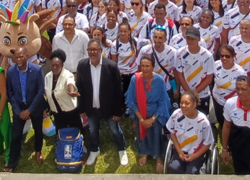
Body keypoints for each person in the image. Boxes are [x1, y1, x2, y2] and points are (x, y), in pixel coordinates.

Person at [76, 38, 129, 167]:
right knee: (93, 131)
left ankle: (121, 150)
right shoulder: (82, 65)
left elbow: (118, 91)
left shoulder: (111, 66)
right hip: (91, 108)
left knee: (115, 130)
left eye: (95, 49)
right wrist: (81, 109)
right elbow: (79, 88)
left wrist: (117, 111)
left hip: (109, 108)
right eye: (90, 50)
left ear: (101, 50)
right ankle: (94, 150)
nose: (92, 52)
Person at [125, 55, 170, 172]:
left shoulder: (159, 80)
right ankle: (144, 153)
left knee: (157, 133)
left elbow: (163, 101)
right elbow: (131, 101)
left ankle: (158, 157)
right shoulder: (135, 79)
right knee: (141, 132)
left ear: (153, 67)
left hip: (156, 112)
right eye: (143, 66)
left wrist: (153, 118)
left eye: (147, 66)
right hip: (140, 112)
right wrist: (141, 119)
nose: (144, 69)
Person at [6, 46, 46, 172]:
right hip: (19, 109)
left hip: (35, 107)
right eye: (16, 57)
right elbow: (10, 92)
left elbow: (41, 91)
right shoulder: (11, 71)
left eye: (21, 56)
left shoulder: (37, 70)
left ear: (27, 56)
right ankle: (12, 163)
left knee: (38, 131)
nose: (18, 59)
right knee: (15, 136)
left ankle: (38, 150)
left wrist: (30, 110)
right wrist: (18, 110)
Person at [166, 91, 215, 174]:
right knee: (174, 168)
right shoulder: (176, 115)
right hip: (180, 149)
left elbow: (207, 143)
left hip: (196, 152)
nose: (183, 106)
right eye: (181, 103)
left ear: (194, 104)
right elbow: (172, 133)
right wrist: (179, 151)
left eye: (187, 103)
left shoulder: (203, 121)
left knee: (191, 172)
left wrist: (194, 156)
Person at [174, 26, 215, 115]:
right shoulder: (180, 53)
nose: (190, 41)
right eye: (188, 38)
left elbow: (209, 78)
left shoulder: (208, 55)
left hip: (202, 95)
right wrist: (189, 93)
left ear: (198, 39)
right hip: (185, 93)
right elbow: (180, 74)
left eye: (193, 39)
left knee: (202, 118)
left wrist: (195, 92)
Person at [44, 49, 82, 131]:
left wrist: (71, 91)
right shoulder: (48, 77)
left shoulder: (67, 75)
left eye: (57, 65)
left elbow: (70, 82)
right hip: (56, 112)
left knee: (75, 132)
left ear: (62, 65)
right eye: (53, 65)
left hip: (70, 111)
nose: (54, 68)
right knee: (61, 132)